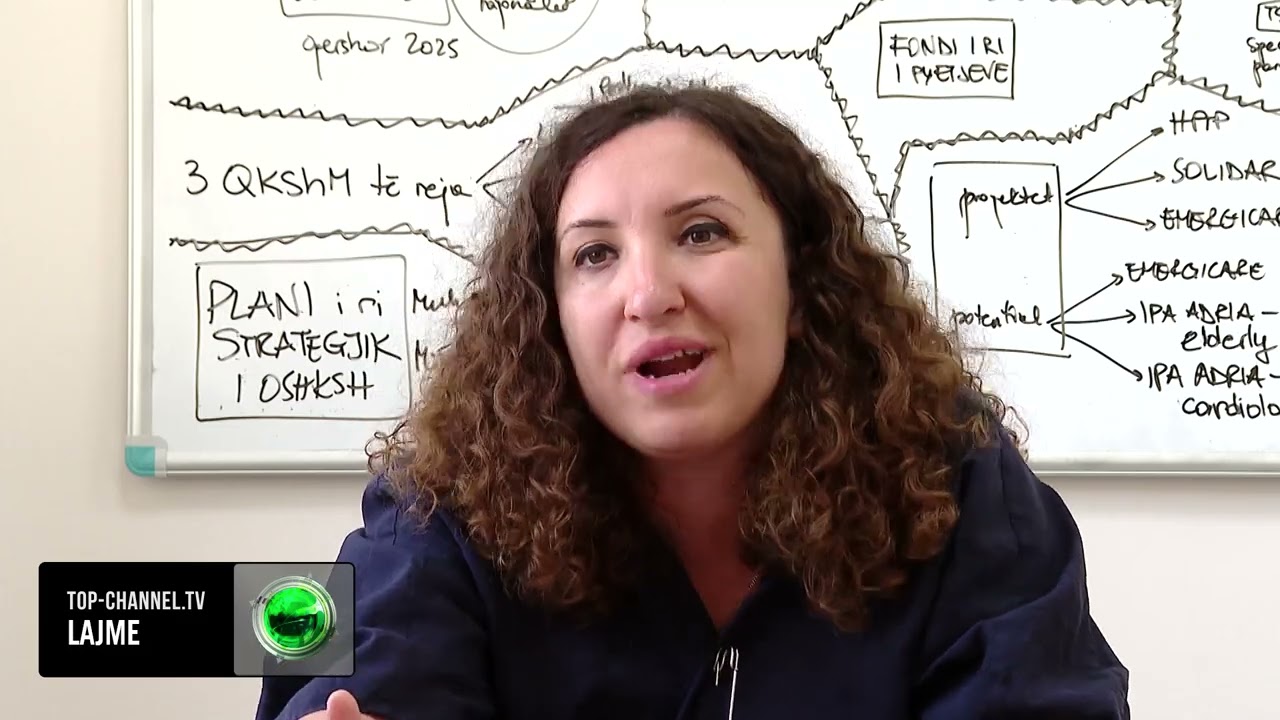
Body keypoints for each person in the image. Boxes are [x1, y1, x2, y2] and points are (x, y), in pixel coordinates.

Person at [254, 82, 1129, 720]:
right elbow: (343, 666)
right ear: (551, 321)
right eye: (594, 255)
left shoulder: (958, 488)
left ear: (803, 286)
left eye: (701, 233)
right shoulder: (440, 508)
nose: (649, 293)